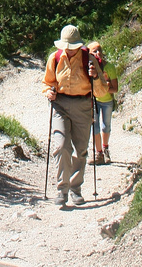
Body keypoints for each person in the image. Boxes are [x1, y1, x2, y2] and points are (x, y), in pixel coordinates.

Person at [42, 23, 100, 207]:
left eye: (72, 47)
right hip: (60, 104)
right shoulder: (56, 58)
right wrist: (48, 92)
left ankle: (76, 189)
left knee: (81, 149)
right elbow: (47, 83)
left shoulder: (89, 59)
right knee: (61, 146)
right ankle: (62, 189)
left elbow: (100, 90)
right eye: (66, 46)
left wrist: (95, 77)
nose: (68, 50)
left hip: (83, 104)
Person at [88, 41, 118, 164]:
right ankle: (99, 153)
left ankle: (105, 150)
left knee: (106, 126)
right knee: (95, 127)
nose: (98, 53)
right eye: (94, 51)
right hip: (94, 100)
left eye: (99, 50)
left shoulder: (109, 67)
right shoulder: (88, 69)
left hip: (107, 101)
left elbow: (115, 88)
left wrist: (102, 88)